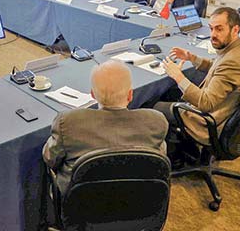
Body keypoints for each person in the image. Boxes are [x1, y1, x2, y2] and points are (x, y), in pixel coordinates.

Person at [42, 60, 169, 196]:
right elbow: (159, 158)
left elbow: (50, 159)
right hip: (140, 201)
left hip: (81, 206)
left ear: (93, 94)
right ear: (130, 95)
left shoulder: (67, 122)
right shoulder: (156, 122)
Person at [154, 7, 240, 146]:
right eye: (211, 28)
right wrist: (192, 58)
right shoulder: (238, 48)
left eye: (219, 29)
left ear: (235, 29)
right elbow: (217, 66)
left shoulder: (232, 62)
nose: (213, 34)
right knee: (170, 92)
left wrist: (178, 76)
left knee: (153, 106)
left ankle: (173, 153)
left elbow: (205, 103)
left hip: (208, 121)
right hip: (225, 110)